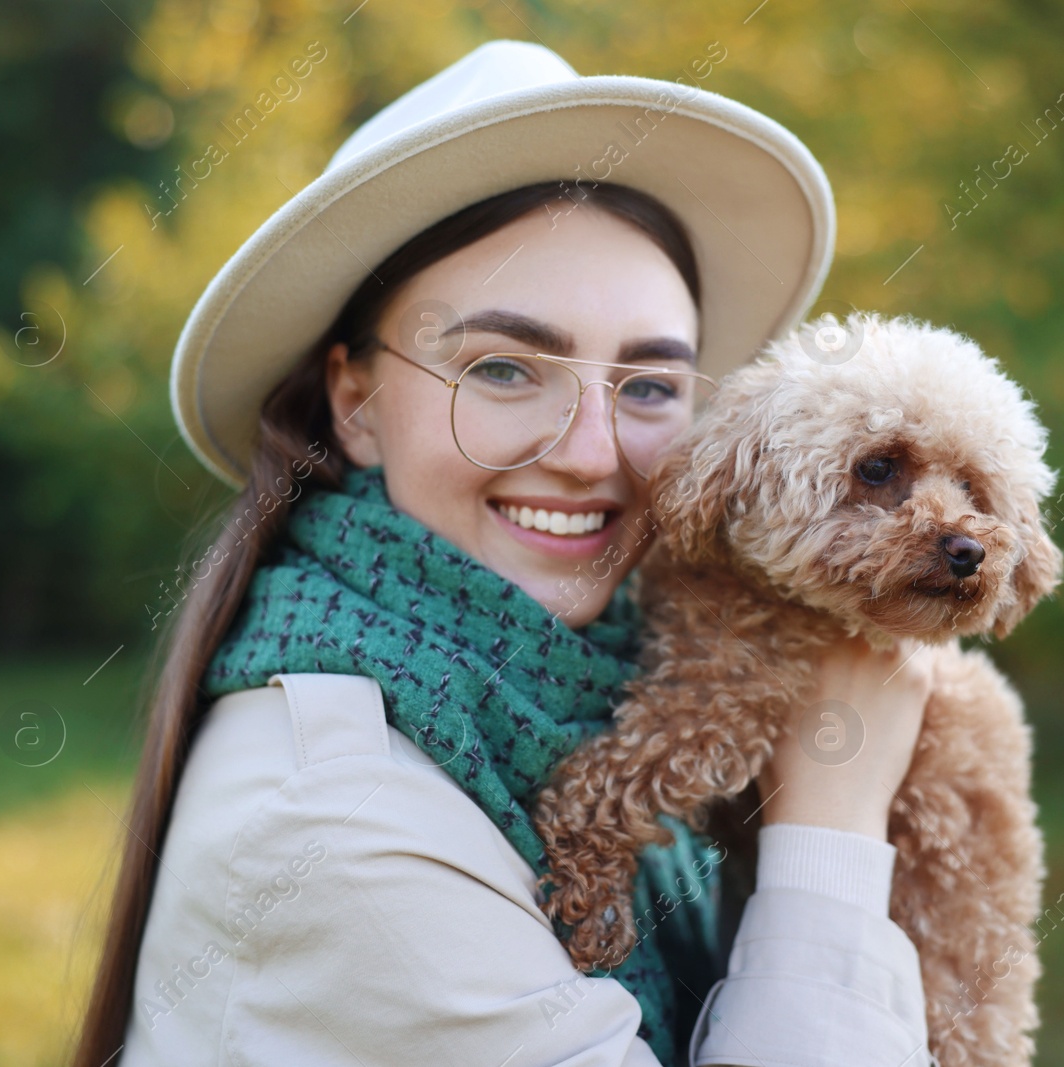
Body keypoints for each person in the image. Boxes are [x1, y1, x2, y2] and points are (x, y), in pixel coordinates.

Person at [75, 40, 935, 1067]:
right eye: (501, 368)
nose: (588, 453)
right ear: (354, 402)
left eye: (650, 385)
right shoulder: (337, 820)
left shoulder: (615, 688)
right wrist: (831, 827)